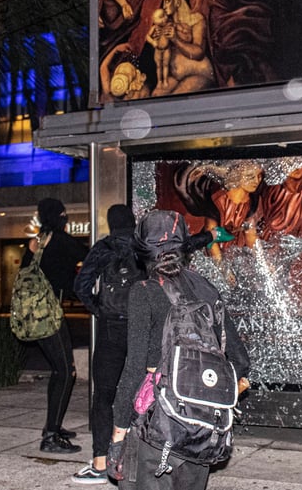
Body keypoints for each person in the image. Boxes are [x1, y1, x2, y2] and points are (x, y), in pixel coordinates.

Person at [109, 209, 250, 490]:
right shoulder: (207, 288)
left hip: (157, 428)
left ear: (141, 250)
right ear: (185, 244)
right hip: (202, 430)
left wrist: (117, 434)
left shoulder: (144, 291)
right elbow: (241, 362)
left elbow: (134, 369)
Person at [71, 205, 139, 484]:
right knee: (141, 390)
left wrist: (98, 308)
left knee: (104, 395)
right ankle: (139, 458)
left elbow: (81, 285)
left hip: (111, 327)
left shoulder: (104, 247)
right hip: (140, 327)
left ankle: (100, 462)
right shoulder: (143, 246)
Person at [22, 197, 89, 453]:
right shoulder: (61, 241)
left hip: (35, 315)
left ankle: (53, 426)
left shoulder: (35, 242)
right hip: (50, 314)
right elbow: (90, 257)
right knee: (65, 371)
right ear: (60, 215)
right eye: (64, 213)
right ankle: (50, 436)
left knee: (58, 370)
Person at [146, 8, 172, 94]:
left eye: (165, 15)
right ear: (154, 20)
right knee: (158, 66)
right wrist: (153, 41)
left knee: (165, 65)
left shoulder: (169, 25)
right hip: (158, 50)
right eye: (161, 17)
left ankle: (165, 80)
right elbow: (147, 37)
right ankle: (159, 81)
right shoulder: (154, 27)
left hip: (166, 49)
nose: (164, 18)